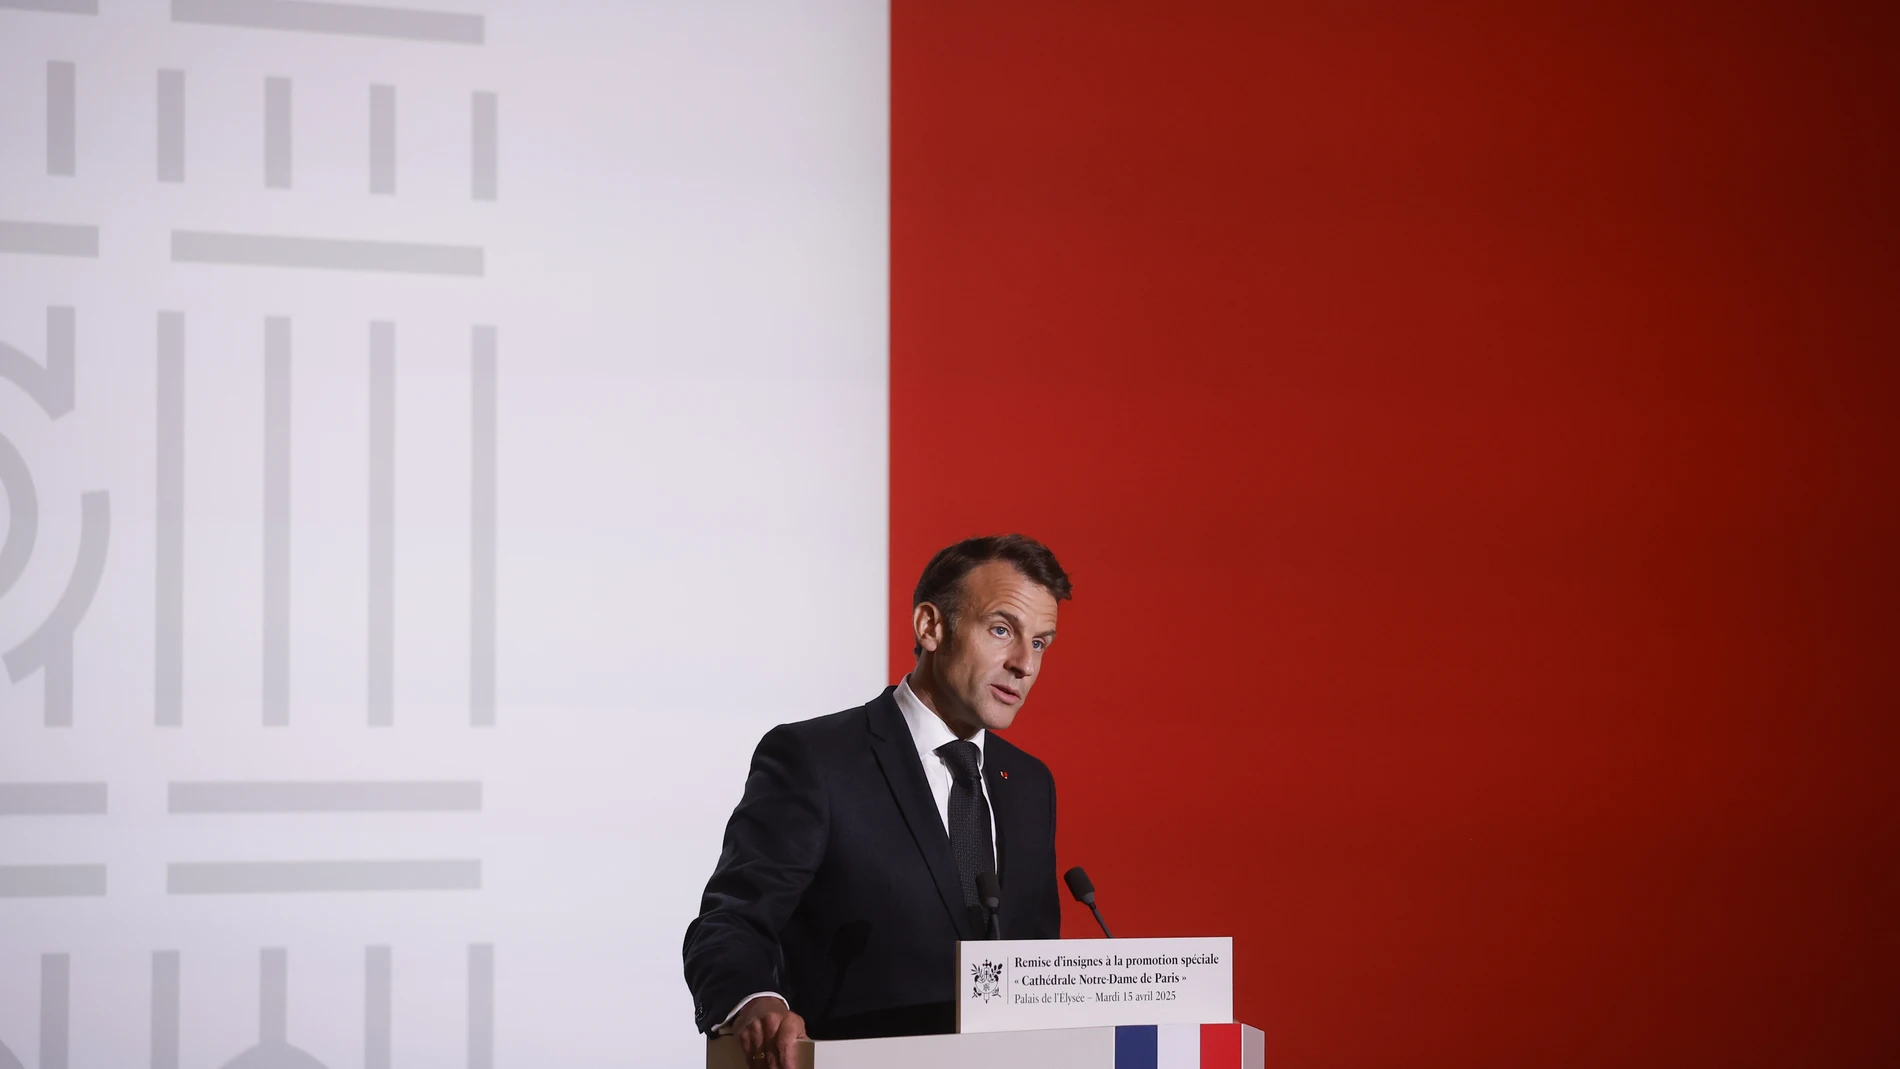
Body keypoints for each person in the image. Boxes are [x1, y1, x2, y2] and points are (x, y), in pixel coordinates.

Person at [683, 534, 1073, 1068]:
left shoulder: (1030, 784)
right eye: (1002, 630)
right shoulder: (816, 759)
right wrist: (756, 1003)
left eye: (1041, 643)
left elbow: (1038, 969)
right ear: (931, 627)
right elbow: (730, 923)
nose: (1024, 664)